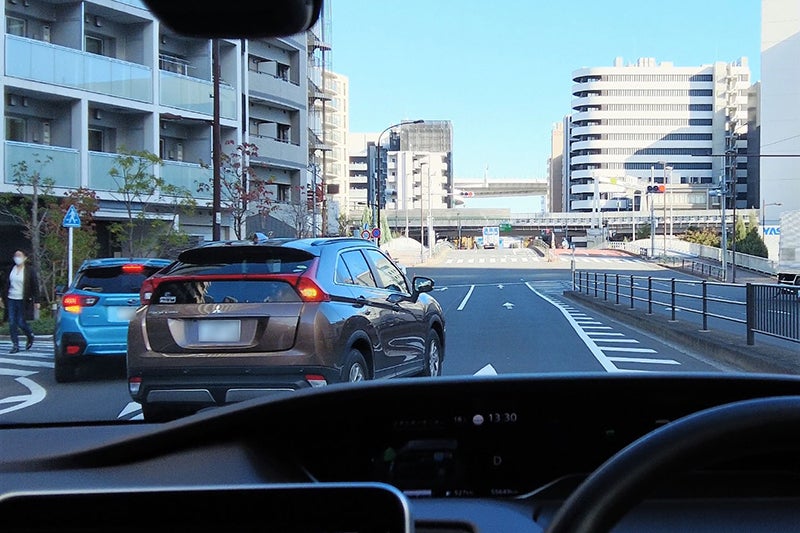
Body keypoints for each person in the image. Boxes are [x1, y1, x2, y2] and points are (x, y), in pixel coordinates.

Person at [1, 250, 39, 354]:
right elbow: (4, 284)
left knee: (20, 322)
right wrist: (2, 297)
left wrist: (37, 300)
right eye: (16, 255)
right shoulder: (10, 269)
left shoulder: (30, 271)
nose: (17, 257)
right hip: (11, 298)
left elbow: (35, 285)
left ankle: (29, 334)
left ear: (25, 258)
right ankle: (15, 345)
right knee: (12, 322)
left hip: (23, 299)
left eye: (19, 255)